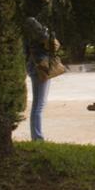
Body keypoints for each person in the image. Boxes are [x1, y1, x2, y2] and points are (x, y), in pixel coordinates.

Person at [21, 14, 59, 142]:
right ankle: (37, 137)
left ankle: (36, 136)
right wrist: (46, 31)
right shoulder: (38, 30)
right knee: (39, 105)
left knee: (39, 104)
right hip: (41, 68)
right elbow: (52, 44)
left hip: (35, 67)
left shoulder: (27, 35)